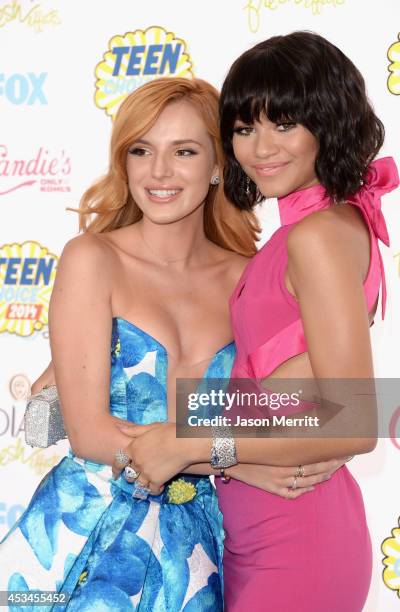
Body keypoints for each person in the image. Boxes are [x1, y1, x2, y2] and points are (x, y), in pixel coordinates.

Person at [0, 76, 344, 612]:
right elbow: (90, 435)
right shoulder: (93, 259)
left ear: (216, 166)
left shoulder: (252, 280)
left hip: (198, 550)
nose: (159, 172)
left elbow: (308, 404)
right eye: (141, 150)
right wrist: (238, 463)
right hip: (85, 531)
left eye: (183, 151)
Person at [114, 34, 399, 611]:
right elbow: (272, 392)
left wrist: (198, 441)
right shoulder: (305, 234)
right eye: (244, 129)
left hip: (299, 534)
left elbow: (354, 420)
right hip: (251, 532)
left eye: (284, 124)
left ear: (328, 122)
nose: (260, 148)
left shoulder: (317, 236)